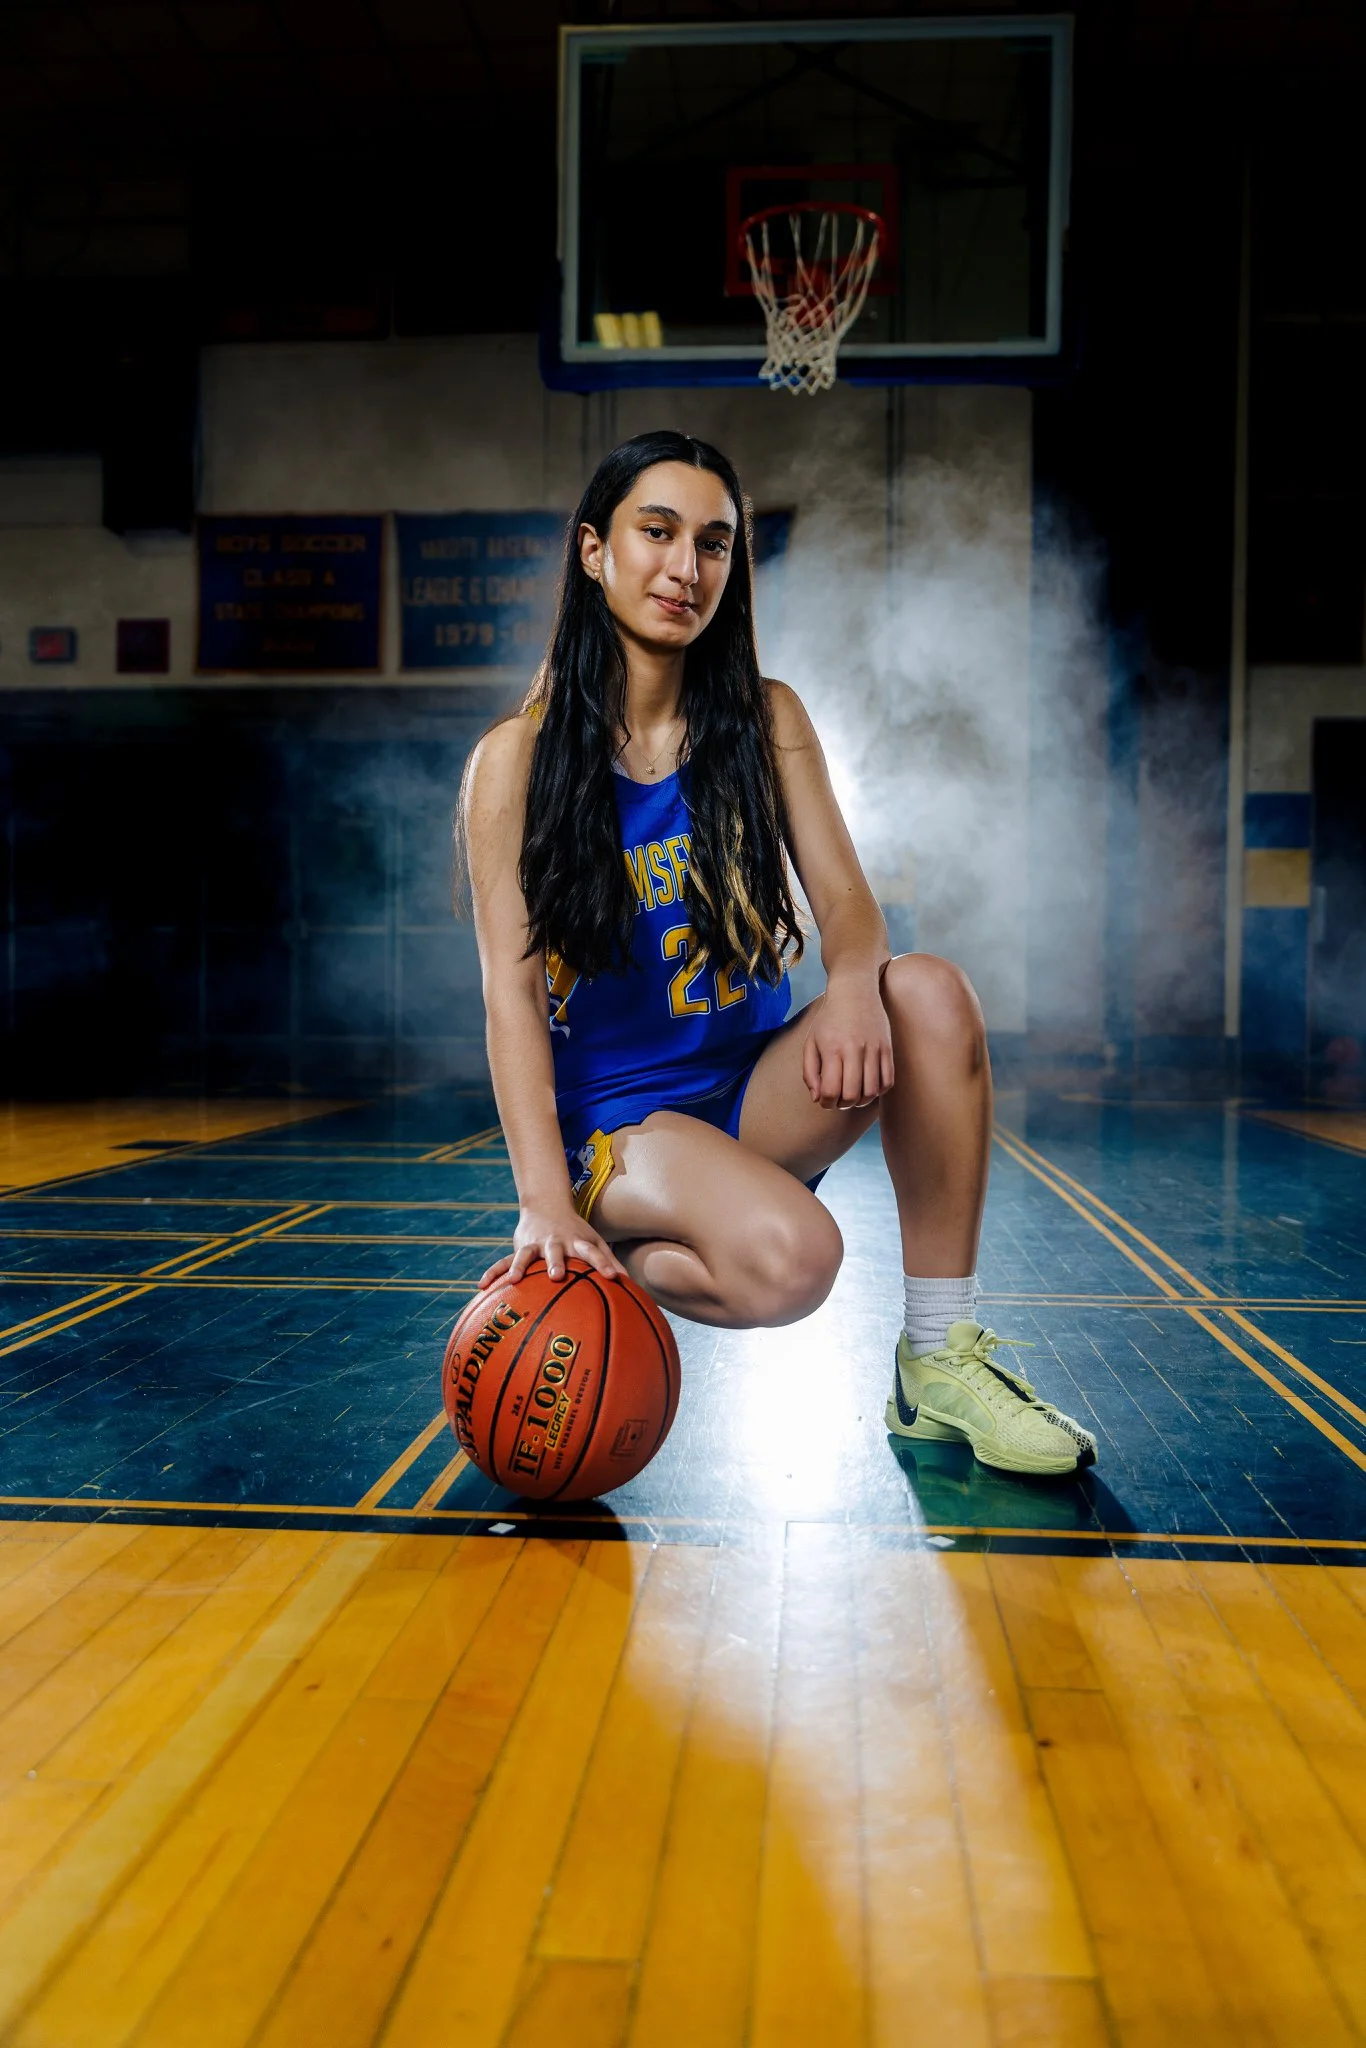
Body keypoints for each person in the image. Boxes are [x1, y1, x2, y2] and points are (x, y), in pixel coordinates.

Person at [459, 430, 1096, 1478]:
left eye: (713, 542)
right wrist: (543, 1199)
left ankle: (937, 1360)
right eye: (655, 532)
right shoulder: (515, 759)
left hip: (753, 1091)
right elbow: (511, 997)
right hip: (620, 1125)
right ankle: (613, 1244)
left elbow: (848, 907)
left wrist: (852, 983)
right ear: (592, 551)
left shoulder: (767, 718)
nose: (685, 567)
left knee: (927, 993)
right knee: (797, 1264)